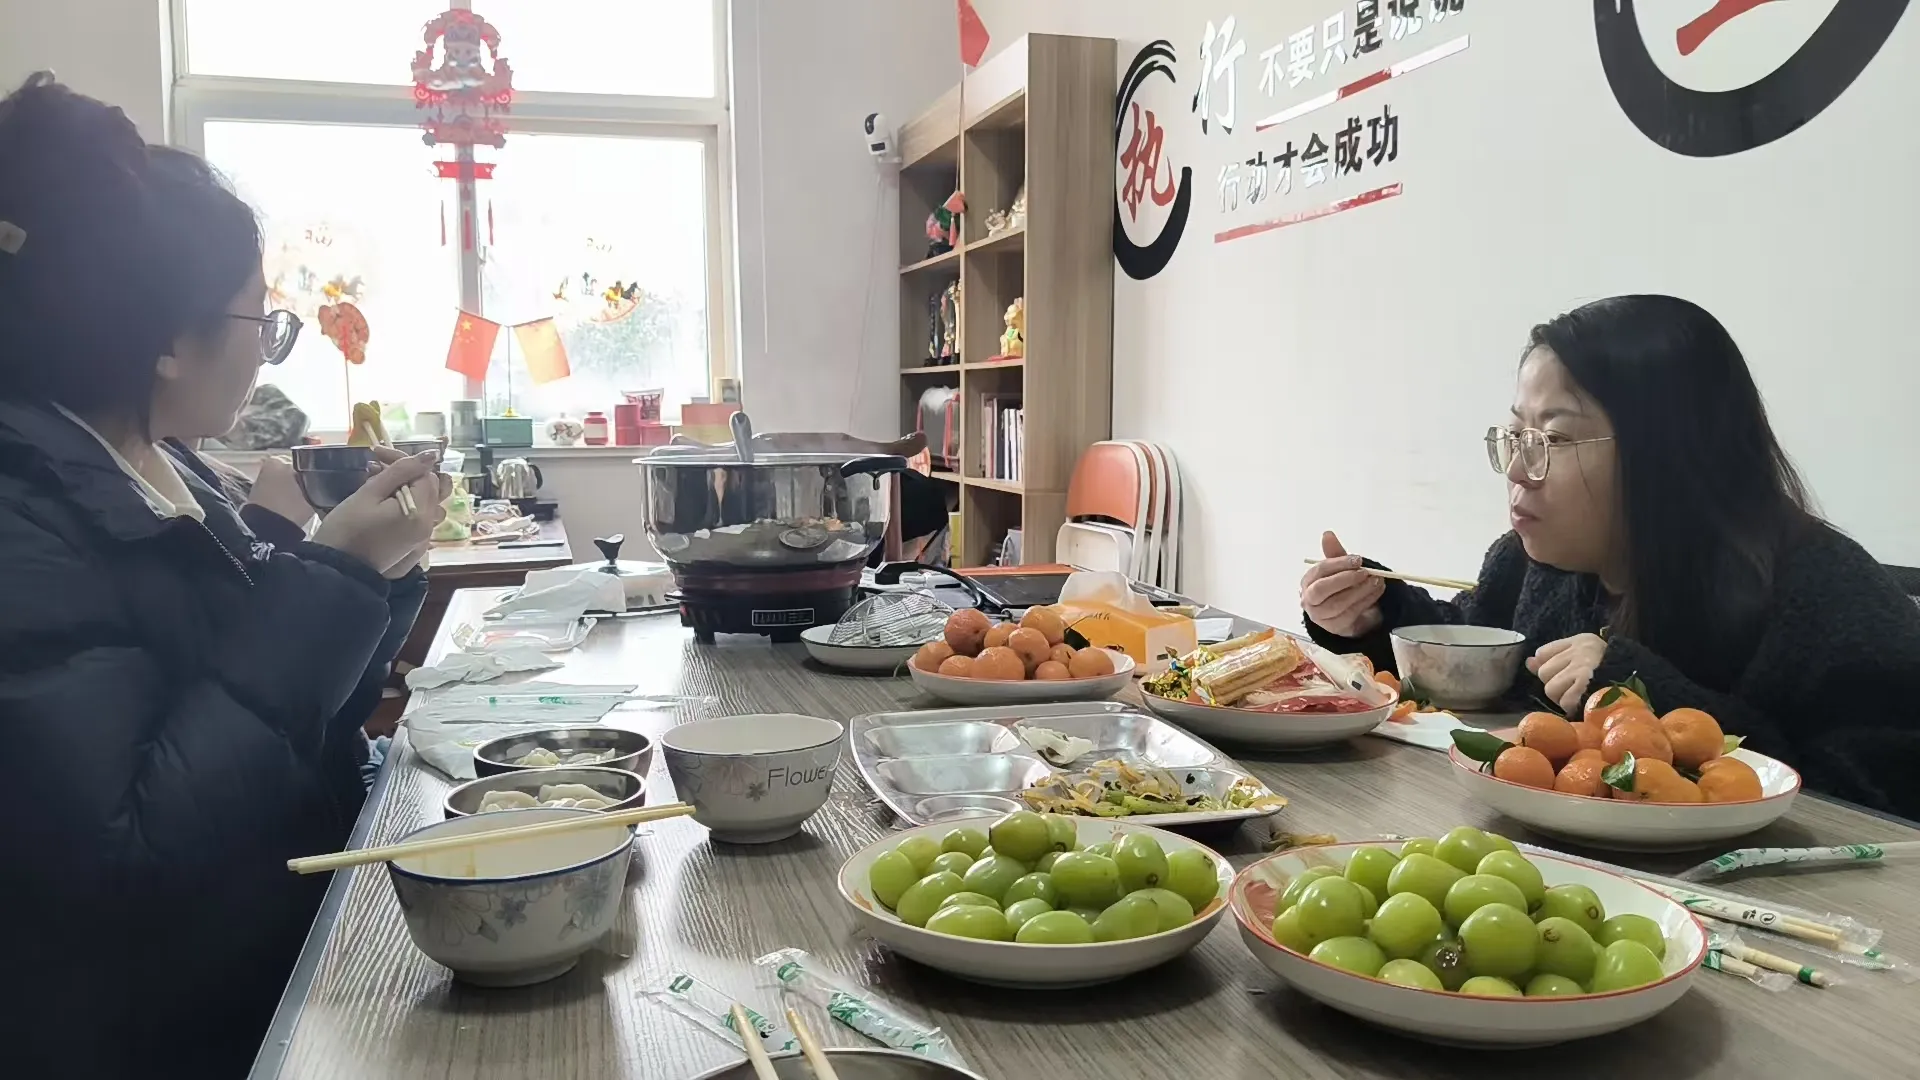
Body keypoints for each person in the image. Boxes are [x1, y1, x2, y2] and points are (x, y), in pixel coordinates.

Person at [0, 75, 448, 1076]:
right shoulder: (23, 512)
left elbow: (281, 734)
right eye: (261, 324)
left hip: (274, 963)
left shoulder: (164, 464)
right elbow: (132, 852)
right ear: (169, 339)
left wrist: (374, 577)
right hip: (162, 1031)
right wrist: (330, 577)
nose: (267, 356)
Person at [1300, 294, 1920, 819]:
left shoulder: (1825, 594)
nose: (1517, 470)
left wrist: (1641, 695)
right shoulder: (1528, 563)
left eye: (1554, 438)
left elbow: (1875, 803)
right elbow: (1475, 652)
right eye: (1517, 435)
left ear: (1670, 453)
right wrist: (1374, 617)